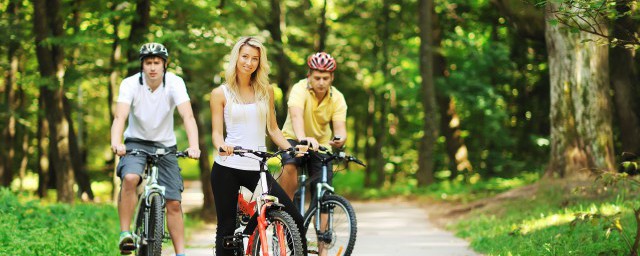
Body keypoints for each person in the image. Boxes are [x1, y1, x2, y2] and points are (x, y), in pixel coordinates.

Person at [209, 36, 307, 256]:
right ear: (236, 58)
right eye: (245, 56)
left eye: (255, 58)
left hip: (257, 166)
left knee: (294, 219)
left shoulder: (266, 91)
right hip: (228, 166)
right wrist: (222, 146)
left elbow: (273, 129)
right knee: (226, 230)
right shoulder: (220, 93)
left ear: (259, 63)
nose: (249, 62)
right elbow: (216, 133)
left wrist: (292, 148)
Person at [111, 42, 201, 256]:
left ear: (164, 65)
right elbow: (119, 116)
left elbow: (187, 116)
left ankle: (181, 253)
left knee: (174, 202)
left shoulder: (175, 83)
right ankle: (125, 233)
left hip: (165, 144)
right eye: (148, 62)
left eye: (157, 62)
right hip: (135, 141)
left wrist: (194, 146)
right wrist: (117, 142)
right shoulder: (130, 84)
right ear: (142, 65)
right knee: (131, 178)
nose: (152, 67)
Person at [278, 51, 347, 201]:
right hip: (294, 137)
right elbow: (296, 116)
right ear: (309, 76)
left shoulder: (337, 97)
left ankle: (323, 224)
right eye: (317, 78)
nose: (321, 82)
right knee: (290, 165)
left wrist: (340, 139)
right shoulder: (299, 89)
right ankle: (284, 213)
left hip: (321, 144)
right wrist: (303, 139)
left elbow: (340, 127)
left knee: (324, 190)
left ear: (332, 78)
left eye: (325, 78)